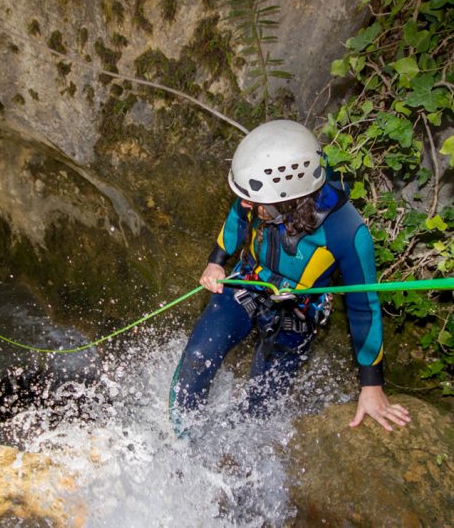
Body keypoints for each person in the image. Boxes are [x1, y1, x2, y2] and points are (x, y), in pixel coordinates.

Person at [170, 120, 411, 434]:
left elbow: (364, 307)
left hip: (298, 310)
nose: (244, 204)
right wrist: (215, 262)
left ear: (289, 198)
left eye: (252, 201)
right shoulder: (260, 198)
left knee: (261, 403)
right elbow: (236, 219)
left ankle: (230, 457)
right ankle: (179, 436)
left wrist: (371, 385)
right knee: (198, 357)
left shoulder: (348, 232)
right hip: (250, 281)